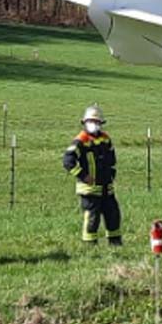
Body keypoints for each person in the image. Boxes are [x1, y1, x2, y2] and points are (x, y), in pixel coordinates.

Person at [63, 104, 121, 246]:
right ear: (84, 122)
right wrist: (83, 176)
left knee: (113, 215)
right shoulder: (80, 140)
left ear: (101, 123)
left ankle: (115, 243)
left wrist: (112, 174)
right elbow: (68, 161)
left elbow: (112, 160)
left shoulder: (106, 139)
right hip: (89, 189)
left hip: (107, 188)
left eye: (96, 122)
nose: (94, 124)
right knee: (92, 218)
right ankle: (90, 245)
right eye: (91, 121)